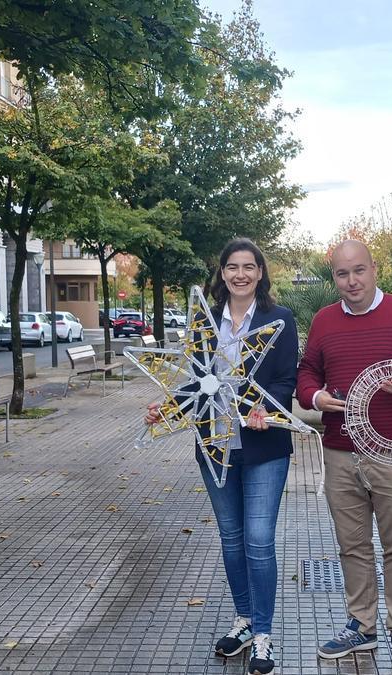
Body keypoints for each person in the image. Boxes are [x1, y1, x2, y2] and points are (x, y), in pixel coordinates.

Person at [144, 238, 297, 675]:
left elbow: (288, 378)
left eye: (250, 267)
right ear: (222, 273)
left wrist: (270, 407)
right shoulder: (204, 320)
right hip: (215, 446)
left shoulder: (279, 319)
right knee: (231, 539)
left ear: (261, 273)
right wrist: (166, 410)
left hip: (265, 447)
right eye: (233, 266)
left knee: (258, 540)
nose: (241, 274)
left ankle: (264, 635)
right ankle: (245, 620)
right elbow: (196, 382)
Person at [296, 240, 392, 675]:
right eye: (342, 274)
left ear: (374, 269)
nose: (352, 281)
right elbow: (308, 370)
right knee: (352, 545)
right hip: (340, 450)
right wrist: (316, 396)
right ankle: (361, 625)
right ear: (334, 278)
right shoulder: (324, 320)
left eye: (359, 271)